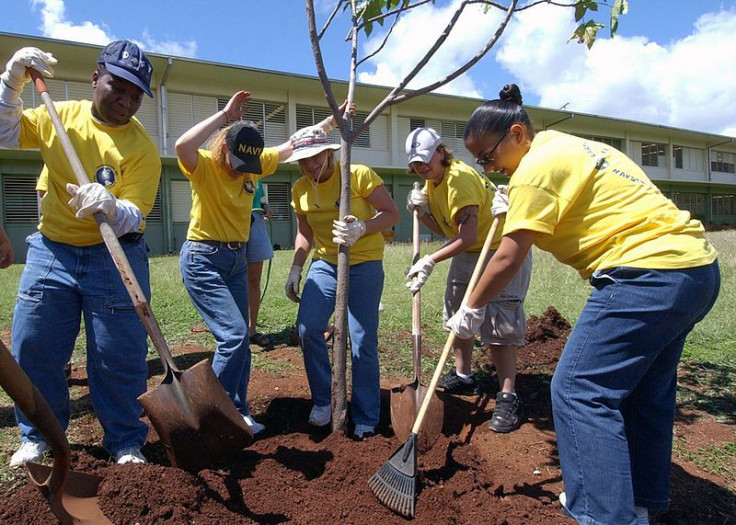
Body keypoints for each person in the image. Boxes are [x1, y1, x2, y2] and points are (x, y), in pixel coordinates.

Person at [447, 84, 720, 525]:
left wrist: (471, 307)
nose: (490, 168)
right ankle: (638, 504)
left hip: (644, 275)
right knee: (645, 394)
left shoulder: (534, 169)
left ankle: (603, 515)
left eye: (488, 156)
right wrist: (516, 196)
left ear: (517, 133)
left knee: (578, 390)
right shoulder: (572, 146)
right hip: (695, 271)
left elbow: (509, 254)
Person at [0, 41, 161, 466]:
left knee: (117, 356)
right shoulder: (61, 116)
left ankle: (126, 442)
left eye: (135, 95)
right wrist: (11, 82)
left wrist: (110, 205)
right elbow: (5, 130)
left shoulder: (142, 149)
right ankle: (40, 436)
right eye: (117, 87)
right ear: (95, 78)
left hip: (114, 256)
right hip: (52, 249)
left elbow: (135, 214)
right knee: (35, 346)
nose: (126, 102)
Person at [175, 92, 346, 435]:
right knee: (235, 336)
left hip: (236, 259)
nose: (244, 173)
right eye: (238, 165)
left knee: (241, 345)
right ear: (225, 150)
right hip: (203, 258)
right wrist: (224, 115)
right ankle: (210, 417)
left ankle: (238, 410)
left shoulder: (255, 162)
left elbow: (293, 146)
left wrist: (328, 123)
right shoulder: (204, 167)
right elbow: (182, 145)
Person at [404, 127, 532, 433]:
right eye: (415, 164)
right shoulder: (432, 181)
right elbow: (450, 232)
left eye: (425, 160)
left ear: (441, 152)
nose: (421, 167)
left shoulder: (458, 180)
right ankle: (464, 377)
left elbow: (468, 235)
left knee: (499, 323)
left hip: (499, 246)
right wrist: (421, 213)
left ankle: (508, 395)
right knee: (458, 313)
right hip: (469, 250)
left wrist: (430, 260)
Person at [284, 125, 400, 440]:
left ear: (329, 151)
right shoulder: (299, 189)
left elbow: (392, 214)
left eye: (316, 157)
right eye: (303, 160)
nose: (310, 165)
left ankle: (365, 417)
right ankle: (324, 400)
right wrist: (296, 267)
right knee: (308, 328)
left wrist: (363, 227)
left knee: (362, 341)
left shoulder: (358, 175)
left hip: (364, 263)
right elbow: (305, 233)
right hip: (325, 263)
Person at [246, 180, 274, 347]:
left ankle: (251, 329)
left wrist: (266, 208)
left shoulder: (256, 175)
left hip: (255, 223)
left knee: (254, 281)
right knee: (234, 280)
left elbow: (260, 201)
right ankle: (234, 331)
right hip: (231, 222)